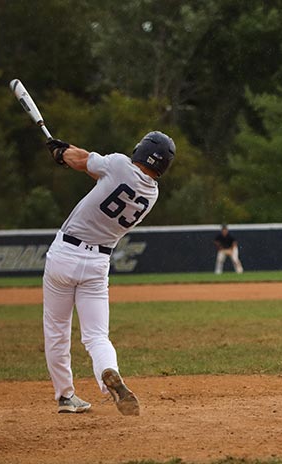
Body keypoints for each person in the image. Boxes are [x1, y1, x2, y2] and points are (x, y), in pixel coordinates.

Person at [43, 131, 175, 415]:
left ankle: (66, 396)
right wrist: (67, 151)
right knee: (96, 336)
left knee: (57, 331)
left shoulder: (118, 165)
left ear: (142, 150)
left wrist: (60, 152)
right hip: (98, 263)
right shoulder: (151, 194)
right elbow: (102, 175)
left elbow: (81, 161)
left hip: (65, 254)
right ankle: (109, 372)